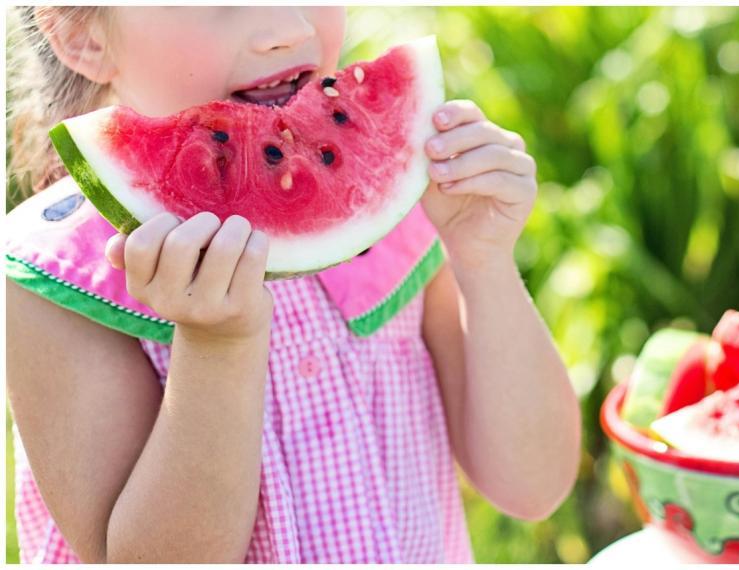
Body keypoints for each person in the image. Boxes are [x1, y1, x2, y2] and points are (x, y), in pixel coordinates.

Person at [5, 6, 581, 564]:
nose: (289, 29)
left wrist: (485, 262)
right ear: (84, 37)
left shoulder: (401, 204)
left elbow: (534, 486)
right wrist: (216, 349)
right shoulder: (59, 278)